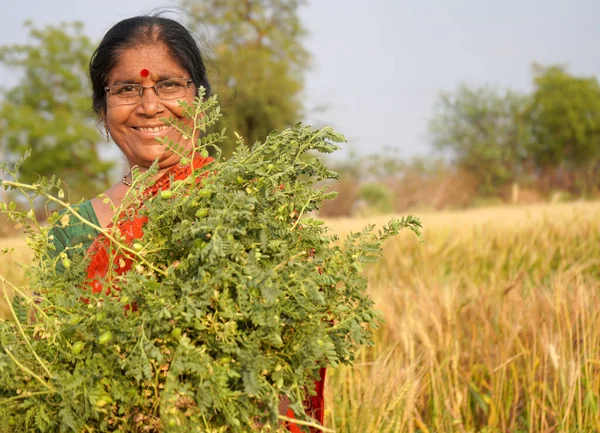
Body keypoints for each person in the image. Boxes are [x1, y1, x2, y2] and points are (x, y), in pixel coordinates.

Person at [46, 15, 325, 432]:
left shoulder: (253, 204)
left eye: (169, 85)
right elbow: (58, 368)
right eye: (127, 89)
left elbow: (298, 354)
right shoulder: (74, 230)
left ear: (200, 100)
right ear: (103, 110)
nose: (150, 105)